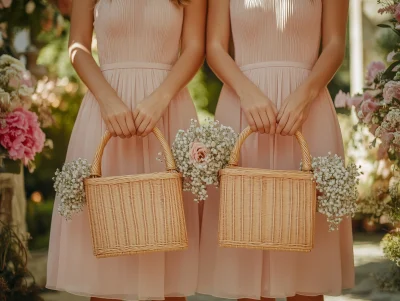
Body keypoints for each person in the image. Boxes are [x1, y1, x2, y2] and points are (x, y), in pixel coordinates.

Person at [46, 1, 206, 300]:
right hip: (105, 110)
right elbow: (77, 45)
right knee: (108, 249)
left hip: (168, 110)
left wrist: (161, 98)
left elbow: (195, 48)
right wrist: (107, 99)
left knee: (168, 247)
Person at [198, 1, 354, 300]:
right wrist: (247, 93)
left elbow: (335, 44)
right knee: (245, 244)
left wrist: (305, 96)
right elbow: (214, 47)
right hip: (243, 108)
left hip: (307, 111)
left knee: (306, 259)